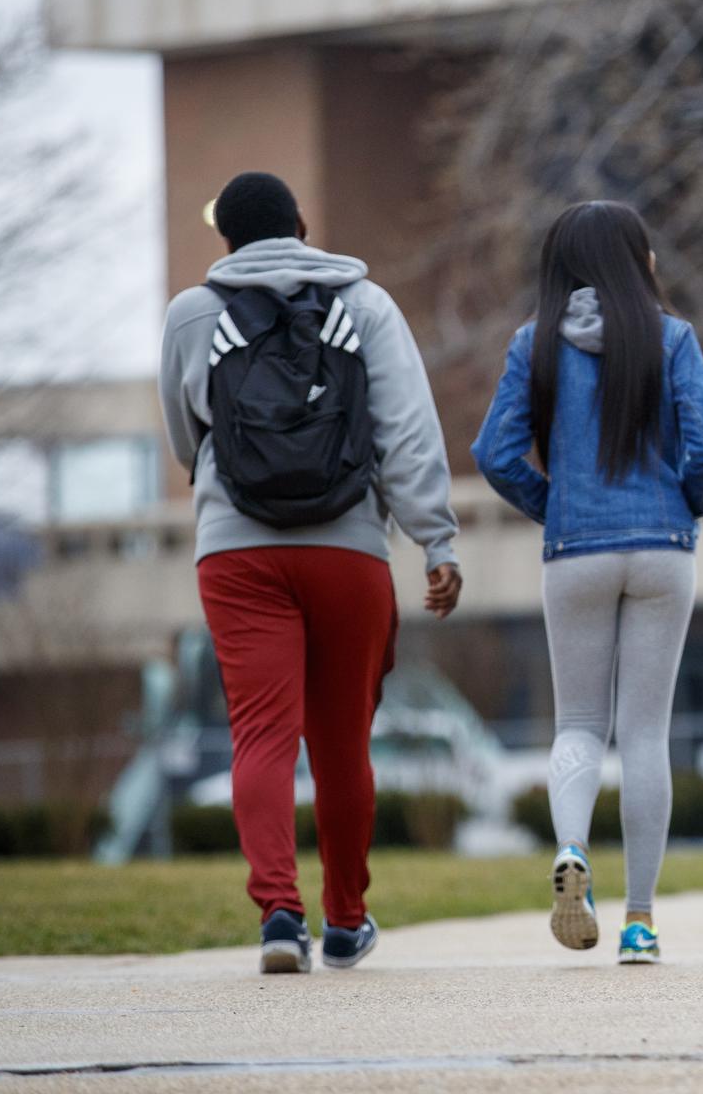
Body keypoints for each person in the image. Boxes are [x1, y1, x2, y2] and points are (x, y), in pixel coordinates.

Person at [158, 171, 462, 974]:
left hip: (238, 550)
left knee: (260, 735)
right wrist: (436, 540)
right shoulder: (365, 306)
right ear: (301, 225)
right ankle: (345, 919)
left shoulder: (193, 313)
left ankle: (279, 917)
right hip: (349, 547)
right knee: (341, 745)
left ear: (225, 238)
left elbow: (186, 438)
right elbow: (407, 430)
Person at [472, 200, 703, 966]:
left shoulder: (534, 345)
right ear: (638, 262)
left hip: (575, 550)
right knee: (645, 733)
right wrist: (691, 497)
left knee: (579, 725)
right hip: (662, 548)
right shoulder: (671, 337)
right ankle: (642, 923)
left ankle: (571, 852)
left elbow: (494, 450)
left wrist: (549, 503)